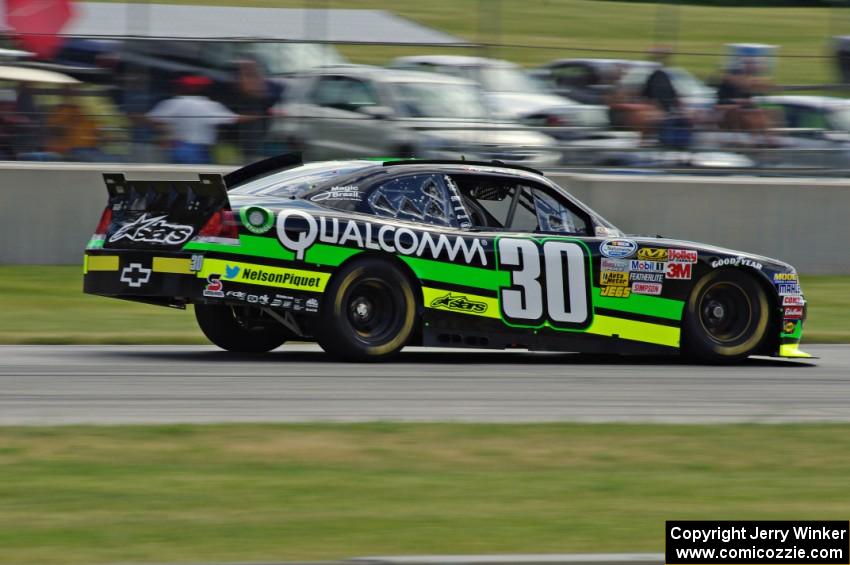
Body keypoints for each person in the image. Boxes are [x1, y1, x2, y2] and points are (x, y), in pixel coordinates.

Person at [146, 75, 250, 164]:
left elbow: (154, 119)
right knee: (197, 177)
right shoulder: (209, 105)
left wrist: (165, 134)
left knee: (178, 177)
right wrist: (255, 116)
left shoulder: (172, 103)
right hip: (199, 149)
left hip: (178, 146)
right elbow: (233, 119)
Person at [45, 85, 108, 161]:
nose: (74, 94)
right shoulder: (62, 111)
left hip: (91, 149)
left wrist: (101, 134)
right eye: (70, 91)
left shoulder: (80, 111)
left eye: (75, 91)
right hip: (76, 150)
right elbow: (54, 128)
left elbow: (94, 128)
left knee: (111, 161)